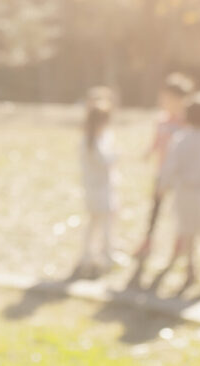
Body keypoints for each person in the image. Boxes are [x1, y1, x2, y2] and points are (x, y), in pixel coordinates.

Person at [156, 93, 200, 291]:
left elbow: (170, 166)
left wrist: (163, 186)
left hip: (186, 193)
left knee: (188, 234)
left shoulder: (181, 139)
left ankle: (191, 269)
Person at [133, 72, 194, 261]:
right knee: (156, 207)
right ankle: (148, 240)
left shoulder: (187, 121)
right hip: (162, 171)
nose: (165, 101)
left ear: (181, 100)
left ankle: (180, 240)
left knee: (180, 209)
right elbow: (157, 141)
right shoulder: (162, 120)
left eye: (169, 98)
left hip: (180, 175)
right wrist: (148, 152)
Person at [77, 87, 119, 276]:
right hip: (101, 190)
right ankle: (105, 255)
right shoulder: (94, 143)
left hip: (93, 189)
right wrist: (116, 156)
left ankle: (89, 254)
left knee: (94, 223)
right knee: (105, 223)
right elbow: (106, 162)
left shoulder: (90, 140)